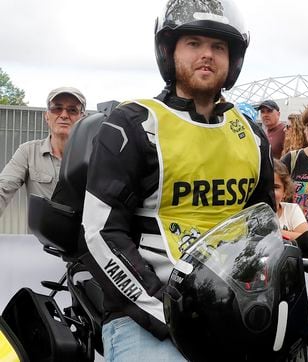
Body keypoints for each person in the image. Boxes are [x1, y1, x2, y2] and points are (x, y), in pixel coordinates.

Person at [81, 0, 274, 359]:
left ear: (233, 59)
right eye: (194, 43)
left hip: (230, 315)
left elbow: (263, 231)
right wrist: (167, 312)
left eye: (219, 47)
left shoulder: (252, 135)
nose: (207, 55)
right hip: (145, 314)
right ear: (169, 52)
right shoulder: (134, 124)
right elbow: (100, 232)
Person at [0, 86, 86, 216]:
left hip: (82, 236)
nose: (64, 115)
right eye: (57, 108)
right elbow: (4, 188)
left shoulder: (95, 156)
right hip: (40, 236)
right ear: (46, 116)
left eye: (72, 110)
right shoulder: (28, 152)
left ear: (82, 118)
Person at [273, 159, 308, 240]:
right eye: (265, 186)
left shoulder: (291, 210)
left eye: (275, 187)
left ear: (285, 191)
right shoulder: (254, 213)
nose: (270, 192)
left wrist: (274, 232)